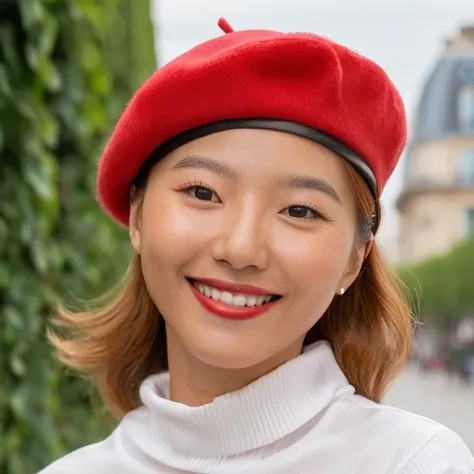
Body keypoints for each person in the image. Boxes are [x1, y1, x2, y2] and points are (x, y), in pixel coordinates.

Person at [39, 17, 474, 474]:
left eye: (300, 211)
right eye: (203, 193)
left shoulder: (414, 463)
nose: (241, 248)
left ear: (355, 259)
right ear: (139, 217)